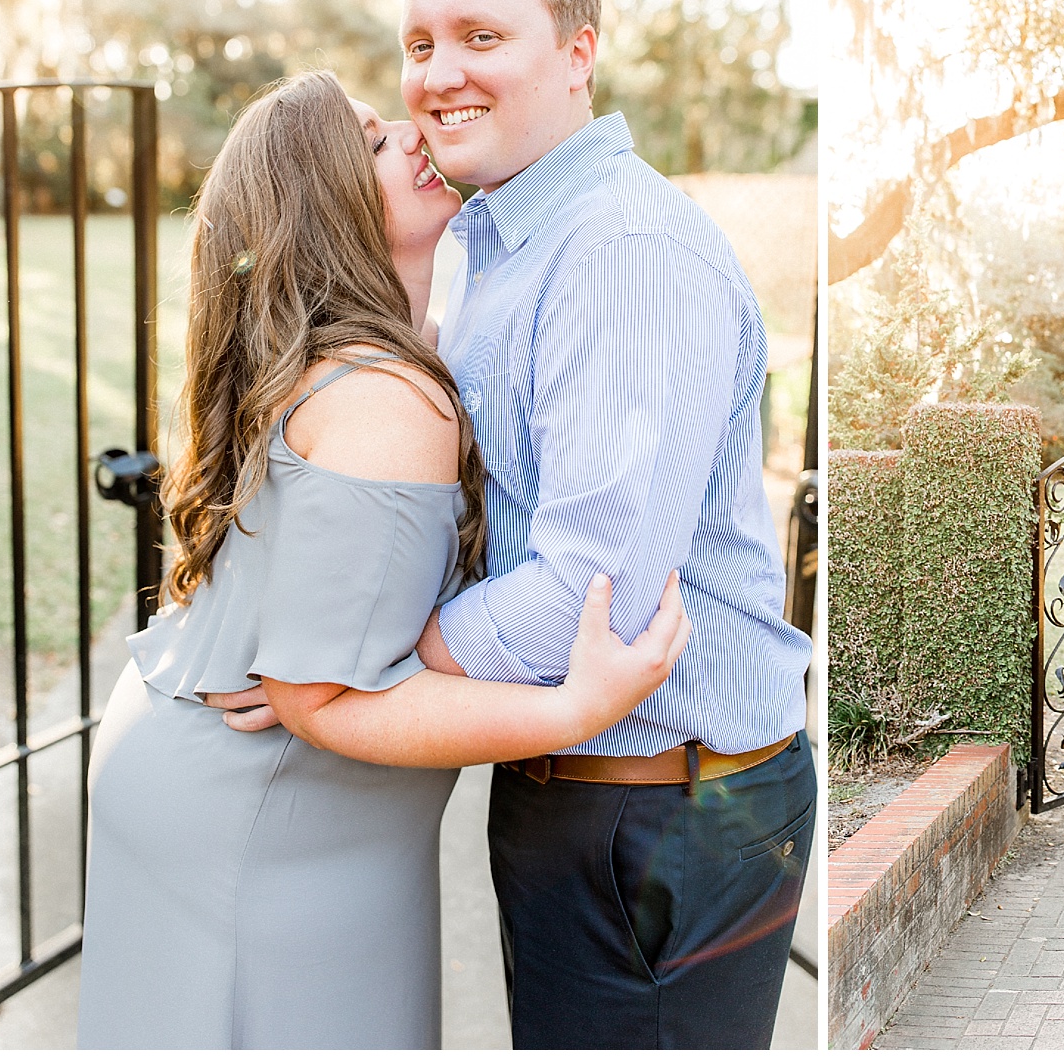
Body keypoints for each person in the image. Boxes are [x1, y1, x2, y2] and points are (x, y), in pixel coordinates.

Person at [208, 0, 814, 1048]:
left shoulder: (620, 253)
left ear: (579, 53)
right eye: (421, 43)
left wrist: (362, 666)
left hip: (666, 815)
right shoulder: (502, 242)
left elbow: (594, 593)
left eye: (481, 34)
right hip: (574, 789)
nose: (439, 75)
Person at [76, 71, 690, 1050]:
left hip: (250, 799)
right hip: (263, 824)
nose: (412, 134)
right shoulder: (380, 395)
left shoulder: (384, 360)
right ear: (320, 205)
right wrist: (572, 710)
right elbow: (315, 691)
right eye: (368, 141)